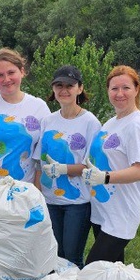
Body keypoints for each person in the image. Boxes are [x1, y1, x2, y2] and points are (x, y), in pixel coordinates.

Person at [82, 65, 140, 265]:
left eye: (126, 88)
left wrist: (105, 177)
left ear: (136, 89)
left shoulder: (137, 125)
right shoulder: (111, 122)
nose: (119, 93)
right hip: (103, 211)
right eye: (114, 88)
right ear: (108, 91)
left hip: (121, 214)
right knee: (112, 271)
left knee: (92, 270)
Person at [36, 65, 101, 267]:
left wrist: (64, 169)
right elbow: (39, 162)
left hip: (77, 202)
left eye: (69, 86)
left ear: (79, 89)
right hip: (49, 200)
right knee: (55, 255)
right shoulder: (48, 121)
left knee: (72, 256)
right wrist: (37, 195)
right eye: (59, 86)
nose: (64, 90)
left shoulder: (90, 122)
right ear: (53, 89)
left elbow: (91, 166)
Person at [0, 48, 50, 183]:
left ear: (22, 71)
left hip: (26, 190)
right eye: (0, 75)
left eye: (11, 72)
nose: (6, 79)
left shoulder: (39, 107)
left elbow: (43, 155)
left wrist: (37, 189)